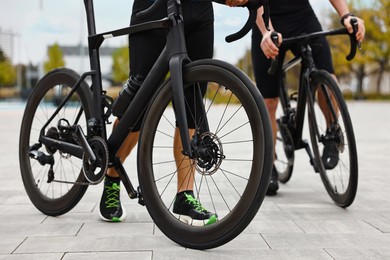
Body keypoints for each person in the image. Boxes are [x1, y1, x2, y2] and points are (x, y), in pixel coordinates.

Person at [99, 0, 248, 223]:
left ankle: (185, 195)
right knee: (139, 102)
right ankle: (112, 177)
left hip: (199, 10)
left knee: (193, 101)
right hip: (154, 7)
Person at [251, 0, 365, 195]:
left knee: (326, 75)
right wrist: (267, 31)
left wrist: (346, 15)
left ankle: (332, 133)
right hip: (266, 18)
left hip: (302, 17)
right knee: (268, 101)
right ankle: (268, 164)